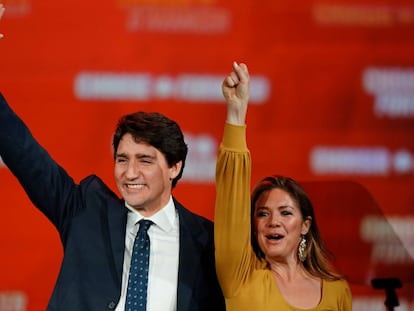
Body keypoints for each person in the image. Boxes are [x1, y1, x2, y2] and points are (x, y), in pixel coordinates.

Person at [0, 6, 225, 311]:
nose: (130, 172)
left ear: (175, 167)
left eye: (144, 161)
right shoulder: (85, 212)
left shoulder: (207, 242)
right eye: (122, 159)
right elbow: (23, 152)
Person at [214, 61, 352, 310]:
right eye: (262, 214)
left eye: (285, 212)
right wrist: (236, 111)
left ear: (305, 225)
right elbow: (231, 196)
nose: (272, 221)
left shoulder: (337, 289)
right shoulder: (241, 277)